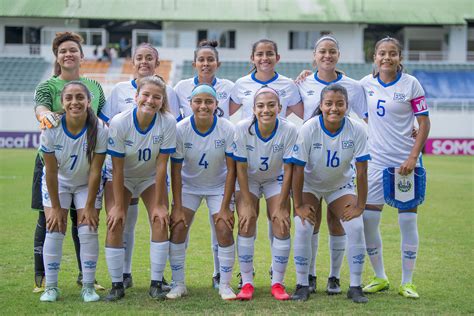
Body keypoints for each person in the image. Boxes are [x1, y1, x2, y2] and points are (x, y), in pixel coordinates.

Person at [99, 43, 179, 289]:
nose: (150, 100)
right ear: (135, 97)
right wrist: (118, 205)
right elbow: (117, 165)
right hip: (120, 174)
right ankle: (118, 282)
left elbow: (162, 165)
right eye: (146, 96)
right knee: (117, 219)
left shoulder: (167, 120)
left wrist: (161, 204)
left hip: (148, 177)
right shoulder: (120, 116)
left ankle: (156, 281)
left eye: (156, 97)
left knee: (159, 218)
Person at [33, 31, 106, 293]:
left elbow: (102, 118)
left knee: (85, 224)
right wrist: (48, 117)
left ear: (81, 56)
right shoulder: (47, 86)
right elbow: (41, 110)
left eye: (73, 50)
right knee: (51, 219)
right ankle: (42, 280)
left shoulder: (95, 87)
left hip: (87, 162)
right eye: (63, 51)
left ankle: (85, 278)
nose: (68, 54)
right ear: (57, 57)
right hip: (54, 161)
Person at [295, 35, 368, 295]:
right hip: (311, 181)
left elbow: (361, 169)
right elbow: (297, 168)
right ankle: (305, 281)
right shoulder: (303, 90)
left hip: (339, 182)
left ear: (347, 106)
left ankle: (345, 282)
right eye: (328, 104)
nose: (334, 108)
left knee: (354, 225)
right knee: (305, 225)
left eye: (332, 51)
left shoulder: (355, 116)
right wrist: (298, 203)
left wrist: (360, 203)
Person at [359, 37, 430, 299]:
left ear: (400, 58)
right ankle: (380, 277)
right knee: (368, 220)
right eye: (381, 53)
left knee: (408, 221)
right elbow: (340, 89)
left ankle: (407, 282)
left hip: (405, 162)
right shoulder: (365, 84)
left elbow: (424, 123)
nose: (386, 58)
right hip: (375, 162)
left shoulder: (411, 84)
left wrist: (413, 156)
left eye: (392, 54)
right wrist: (306, 75)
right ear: (374, 57)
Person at [173, 40, 234, 288]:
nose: (206, 64)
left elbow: (261, 91)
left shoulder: (230, 91)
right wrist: (176, 205)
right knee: (177, 226)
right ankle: (177, 283)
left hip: (218, 181)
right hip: (190, 183)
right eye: (202, 59)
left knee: (222, 226)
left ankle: (224, 281)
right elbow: (175, 170)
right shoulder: (180, 94)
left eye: (211, 60)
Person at [232, 87, 296, 301]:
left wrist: (282, 204)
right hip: (248, 180)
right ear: (253, 109)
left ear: (279, 107)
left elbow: (289, 170)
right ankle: (247, 281)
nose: (266, 110)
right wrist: (248, 203)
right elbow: (240, 168)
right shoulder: (242, 128)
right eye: (260, 106)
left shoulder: (289, 130)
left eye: (271, 105)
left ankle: (277, 282)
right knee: (247, 219)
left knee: (281, 220)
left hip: (275, 180)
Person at [229, 39, 304, 122]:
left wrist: (310, 77)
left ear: (277, 58)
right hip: (248, 134)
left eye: (270, 54)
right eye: (259, 54)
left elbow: (305, 114)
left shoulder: (288, 84)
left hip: (277, 134)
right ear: (252, 58)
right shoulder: (241, 83)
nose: (265, 58)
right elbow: (226, 112)